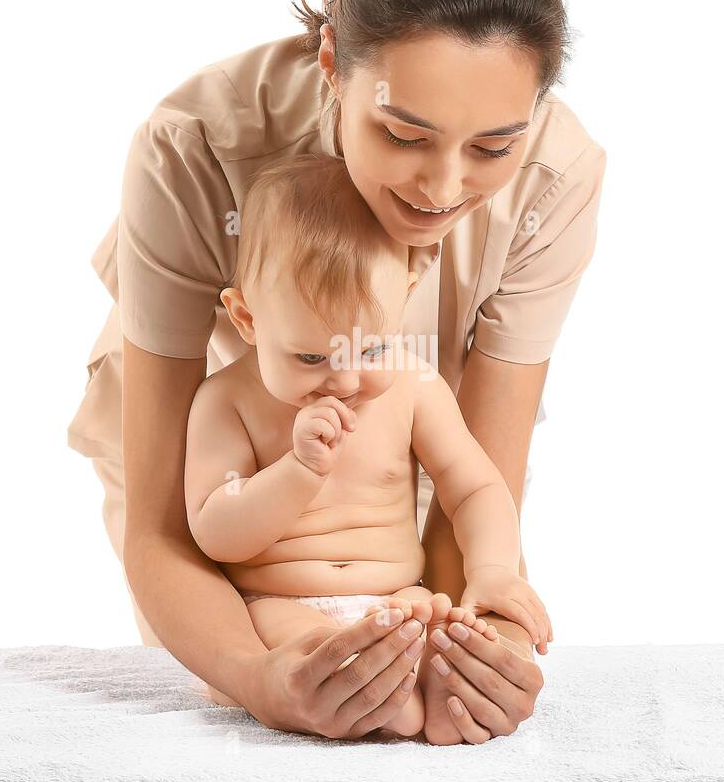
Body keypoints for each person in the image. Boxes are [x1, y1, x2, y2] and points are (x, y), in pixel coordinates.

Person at [66, 0, 607, 744]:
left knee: (423, 703)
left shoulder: (557, 178)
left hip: (397, 469)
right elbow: (168, 530)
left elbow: (477, 489)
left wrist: (489, 643)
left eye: (492, 148)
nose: (441, 187)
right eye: (402, 133)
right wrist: (256, 675)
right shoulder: (196, 146)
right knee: (269, 706)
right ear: (332, 63)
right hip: (221, 481)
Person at [181, 152, 549, 740]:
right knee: (307, 655)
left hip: (399, 600)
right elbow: (215, 528)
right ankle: (375, 690)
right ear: (248, 318)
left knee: (454, 651)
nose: (347, 381)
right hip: (280, 606)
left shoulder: (413, 386)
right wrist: (298, 471)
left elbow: (475, 486)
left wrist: (494, 569)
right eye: (311, 358)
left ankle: (428, 686)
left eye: (371, 348)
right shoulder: (226, 403)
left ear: (405, 294)